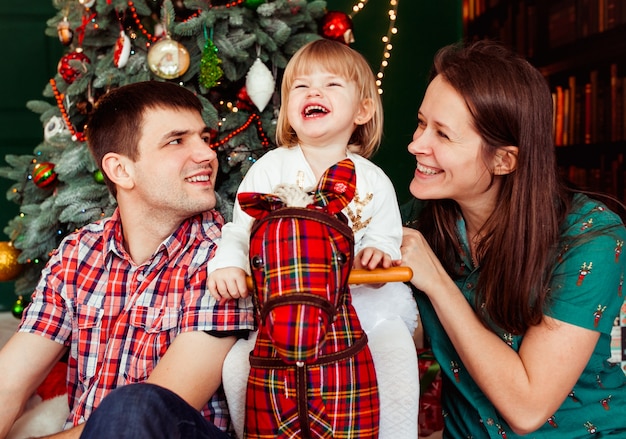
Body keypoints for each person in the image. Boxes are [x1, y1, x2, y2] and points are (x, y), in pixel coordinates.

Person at [0, 81, 254, 439]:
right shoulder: (78, 253)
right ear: (120, 170)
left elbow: (153, 414)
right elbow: (8, 382)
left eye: (204, 137)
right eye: (177, 141)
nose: (207, 154)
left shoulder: (224, 261)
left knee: (132, 406)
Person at [400, 39, 626, 438]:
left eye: (443, 135)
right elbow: (402, 326)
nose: (416, 145)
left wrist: (435, 282)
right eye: (421, 122)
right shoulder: (425, 221)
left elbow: (527, 407)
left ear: (503, 160)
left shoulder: (592, 238)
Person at [207, 38, 404, 300]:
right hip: (283, 301)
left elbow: (385, 236)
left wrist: (378, 252)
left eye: (332, 84)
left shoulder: (374, 180)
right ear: (287, 111)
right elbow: (242, 231)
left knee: (395, 341)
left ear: (362, 110)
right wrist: (228, 263)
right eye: (301, 86)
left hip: (358, 302)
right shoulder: (271, 168)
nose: (313, 92)